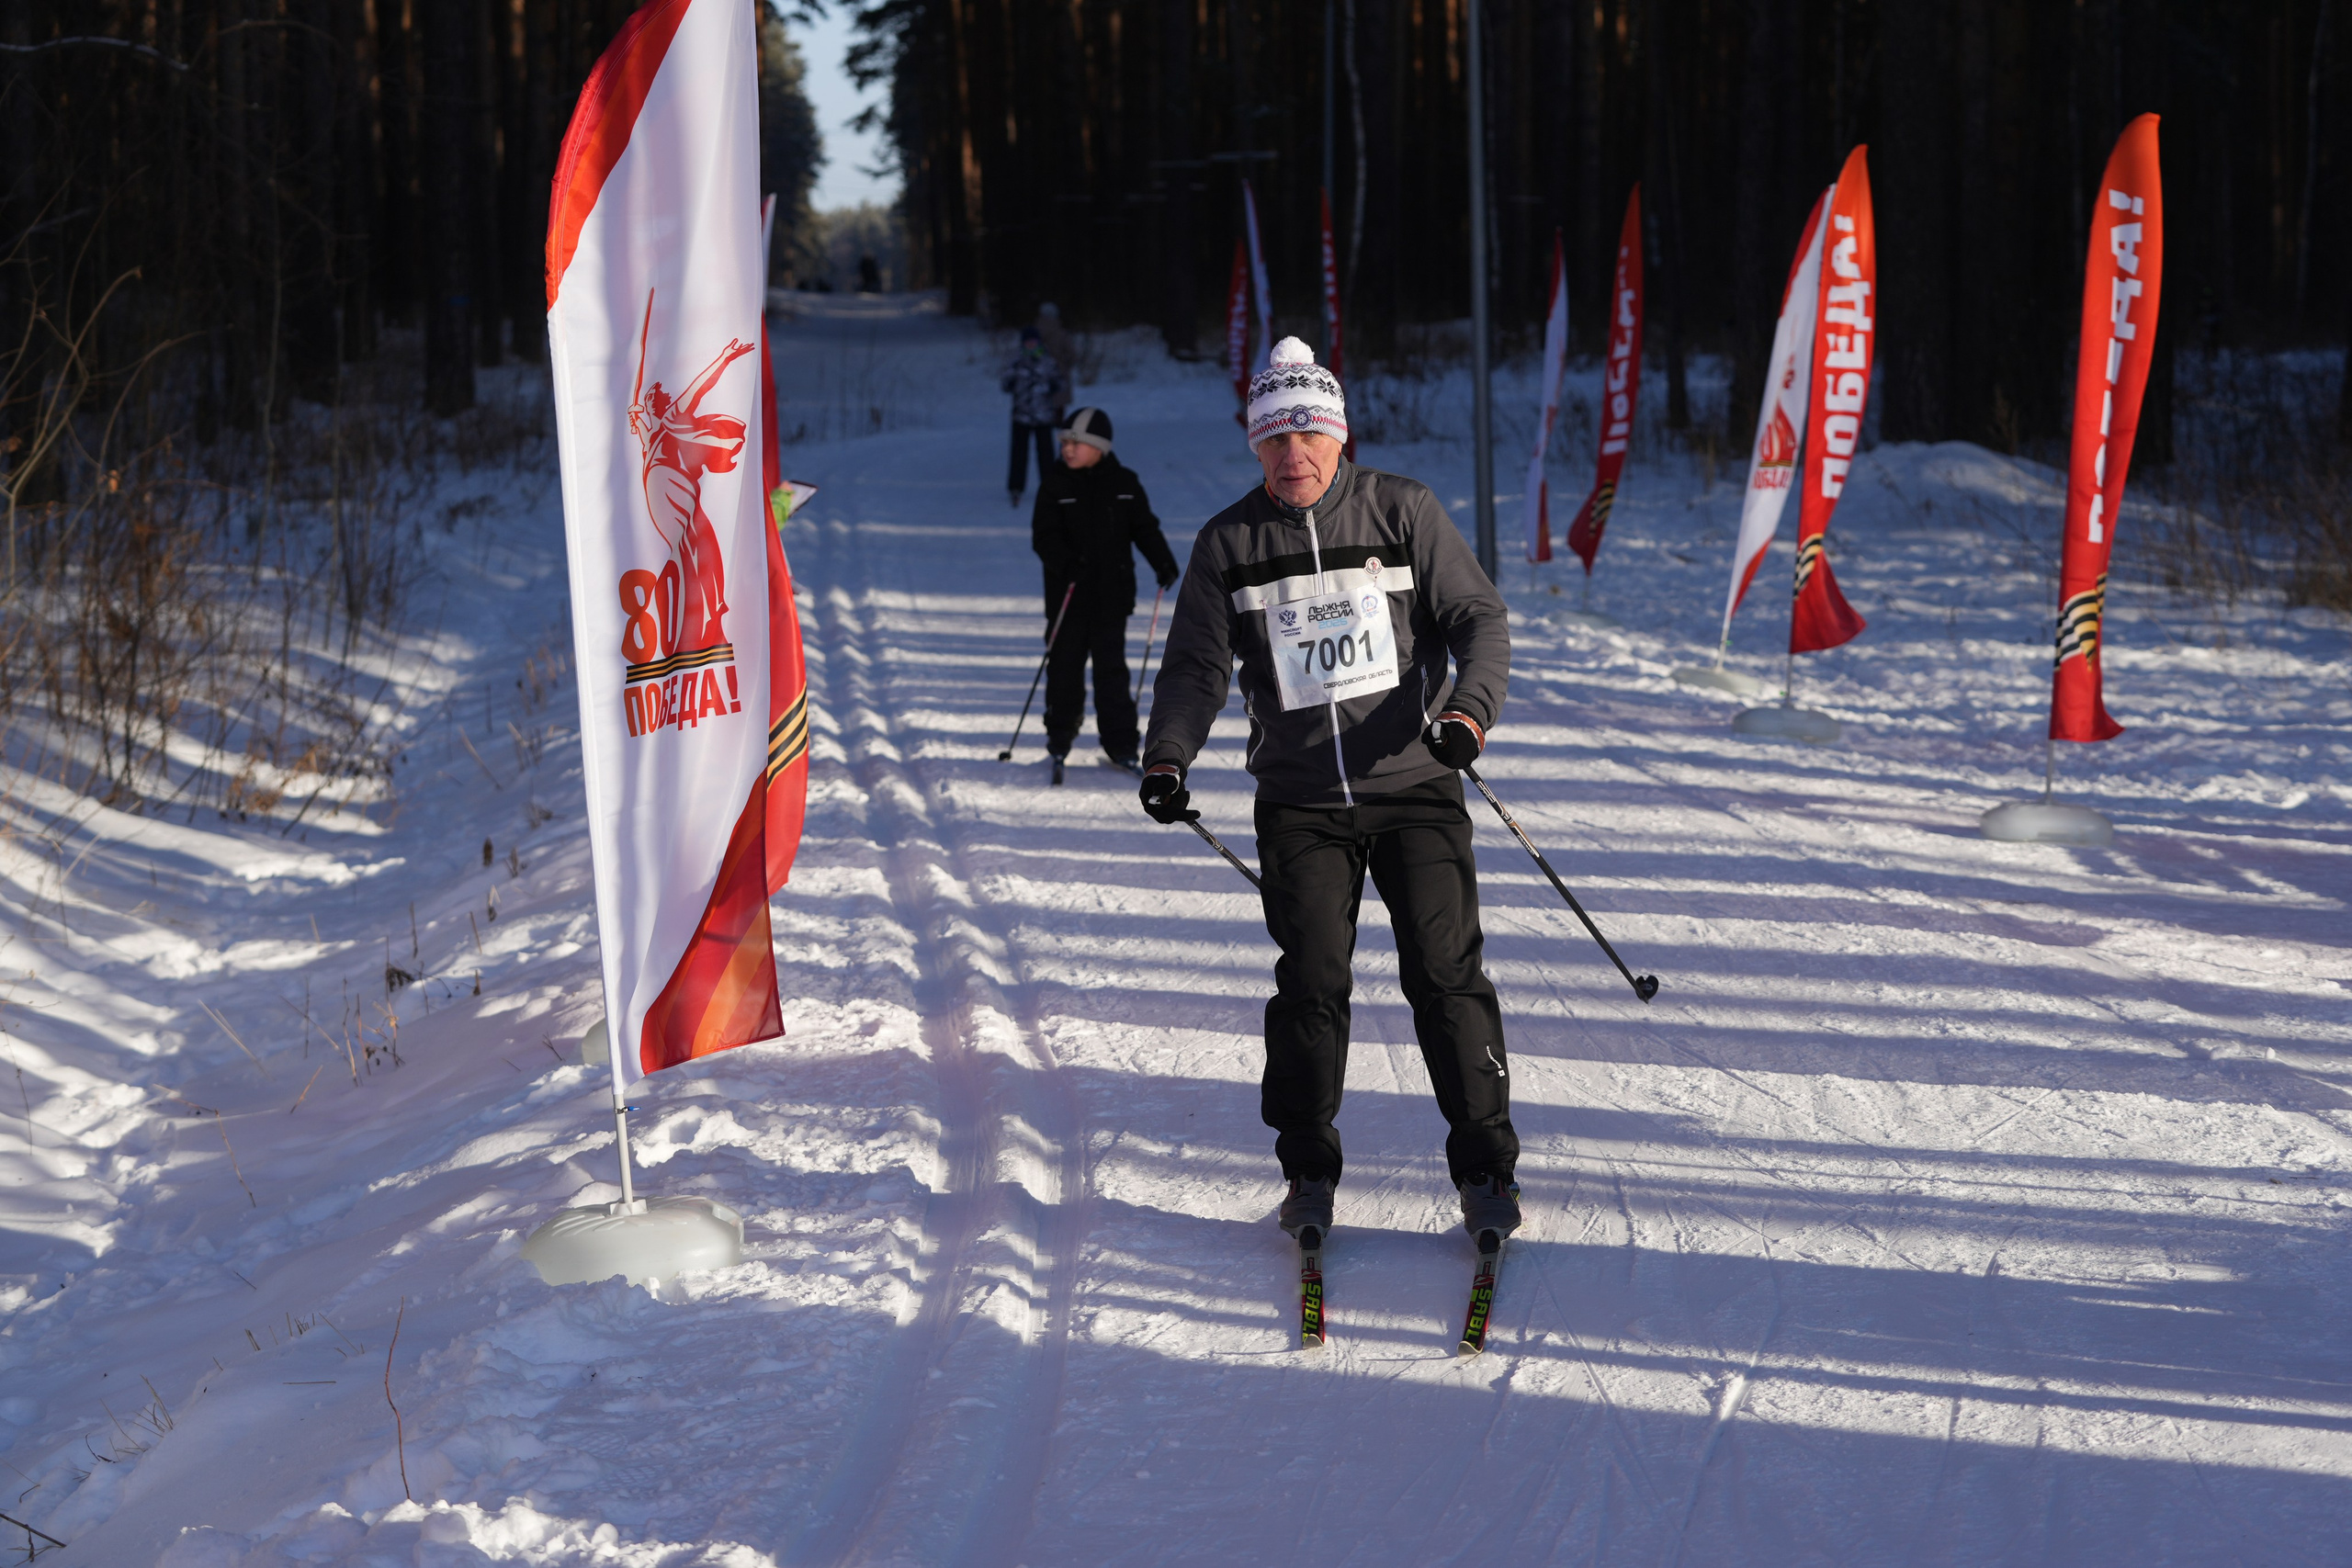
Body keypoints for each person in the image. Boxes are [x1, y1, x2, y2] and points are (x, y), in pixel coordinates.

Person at [1136, 337, 1521, 1246]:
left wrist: (1467, 715)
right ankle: (1307, 1171)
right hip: (1301, 799)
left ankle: (1486, 1167)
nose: (1293, 454)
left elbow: (1479, 620)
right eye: (1273, 439)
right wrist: (1167, 755)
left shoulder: (1403, 511)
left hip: (1416, 783)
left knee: (1444, 975)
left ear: (1338, 435)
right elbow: (1196, 665)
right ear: (1254, 447)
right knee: (1311, 981)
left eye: (1308, 432)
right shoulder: (1228, 542)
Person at [1033, 407, 1179, 785]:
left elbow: (1144, 528)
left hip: (1112, 598)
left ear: (1098, 447)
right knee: (1064, 669)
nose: (1067, 449)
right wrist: (1067, 565)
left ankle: (1121, 745)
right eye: (1064, 442)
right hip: (1068, 599)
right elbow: (1043, 537)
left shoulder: (1124, 482)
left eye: (1076, 443)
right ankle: (1060, 738)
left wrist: (1162, 561)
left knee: (1112, 673)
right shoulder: (1055, 485)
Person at [1001, 326, 1069, 507]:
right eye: (1027, 342)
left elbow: (1060, 382)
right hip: (1021, 416)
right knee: (1018, 454)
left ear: (1039, 342)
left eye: (1033, 342)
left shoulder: (1047, 361)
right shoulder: (1017, 362)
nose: (1031, 345)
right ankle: (1016, 488)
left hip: (1043, 416)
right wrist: (1012, 383)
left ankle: (1049, 487)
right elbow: (1005, 385)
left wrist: (1052, 389)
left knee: (1046, 454)